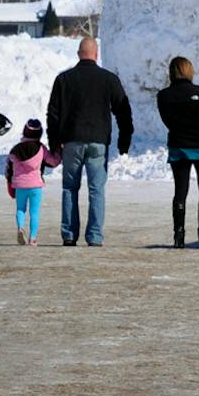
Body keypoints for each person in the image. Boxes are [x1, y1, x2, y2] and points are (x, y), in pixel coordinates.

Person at [45, 36, 133, 247]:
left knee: (69, 189)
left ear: (78, 54)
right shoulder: (108, 79)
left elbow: (53, 114)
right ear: (96, 54)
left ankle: (69, 234)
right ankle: (94, 236)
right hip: (98, 142)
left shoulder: (63, 79)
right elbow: (123, 109)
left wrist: (54, 142)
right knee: (96, 190)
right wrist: (125, 138)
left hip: (72, 142)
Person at [156, 56, 199, 249]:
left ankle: (179, 235)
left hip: (179, 147)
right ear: (190, 71)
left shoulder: (163, 96)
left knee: (180, 191)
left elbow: (167, 120)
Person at [4, 117, 60, 246]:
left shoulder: (15, 150)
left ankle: (20, 228)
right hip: (35, 186)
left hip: (19, 185)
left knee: (20, 209)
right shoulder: (41, 149)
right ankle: (33, 238)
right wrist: (58, 152)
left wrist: (9, 181)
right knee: (34, 212)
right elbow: (53, 162)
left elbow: (8, 168)